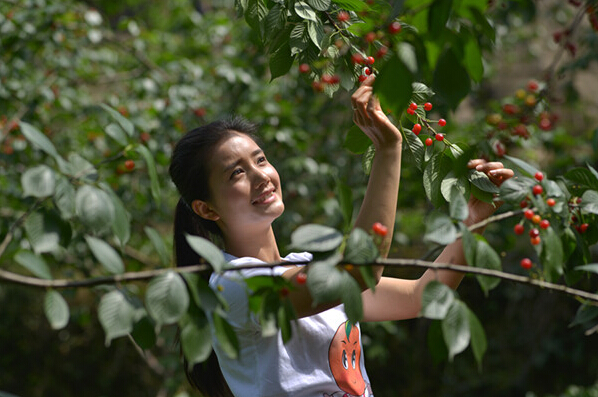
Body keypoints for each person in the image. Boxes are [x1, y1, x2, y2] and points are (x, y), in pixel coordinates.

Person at [168, 76, 514, 397]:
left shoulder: (306, 267)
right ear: (207, 209)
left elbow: (421, 297)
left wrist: (472, 221)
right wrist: (388, 151)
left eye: (260, 159)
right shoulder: (231, 285)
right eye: (237, 173)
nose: (262, 176)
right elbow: (360, 272)